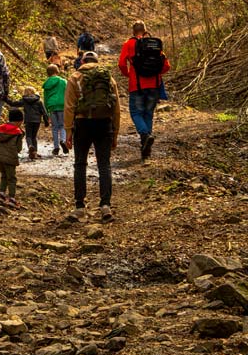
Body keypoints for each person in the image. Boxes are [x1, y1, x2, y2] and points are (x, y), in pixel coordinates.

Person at [64, 51, 120, 222]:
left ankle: (80, 206)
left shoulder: (74, 78)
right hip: (104, 124)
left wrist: (68, 131)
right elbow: (116, 108)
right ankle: (105, 205)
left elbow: (69, 107)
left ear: (82, 61)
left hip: (83, 124)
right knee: (104, 165)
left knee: (80, 164)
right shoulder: (108, 78)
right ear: (97, 62)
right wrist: (115, 133)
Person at [118, 20, 170, 161]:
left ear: (133, 31)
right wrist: (155, 73)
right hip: (154, 85)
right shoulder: (154, 44)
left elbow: (122, 64)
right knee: (148, 114)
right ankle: (146, 150)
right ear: (145, 30)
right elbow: (166, 65)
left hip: (137, 85)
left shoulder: (128, 44)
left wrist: (129, 74)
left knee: (135, 113)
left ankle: (145, 135)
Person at [0, 108, 24, 209]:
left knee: (4, 175)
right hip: (10, 159)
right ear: (20, 121)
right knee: (12, 178)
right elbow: (18, 149)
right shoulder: (18, 132)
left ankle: (1, 194)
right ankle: (12, 199)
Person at [7, 86, 49, 160]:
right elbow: (44, 112)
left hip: (28, 120)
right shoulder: (39, 100)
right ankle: (35, 152)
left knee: (28, 136)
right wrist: (46, 121)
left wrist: (5, 99)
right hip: (37, 121)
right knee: (34, 136)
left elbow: (14, 104)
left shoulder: (24, 100)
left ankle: (30, 146)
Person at [42, 64, 67, 155]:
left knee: (55, 128)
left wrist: (46, 111)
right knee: (62, 125)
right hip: (62, 105)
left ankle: (56, 147)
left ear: (48, 73)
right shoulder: (63, 81)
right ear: (57, 71)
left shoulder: (47, 83)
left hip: (51, 106)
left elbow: (45, 98)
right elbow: (68, 93)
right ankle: (63, 141)